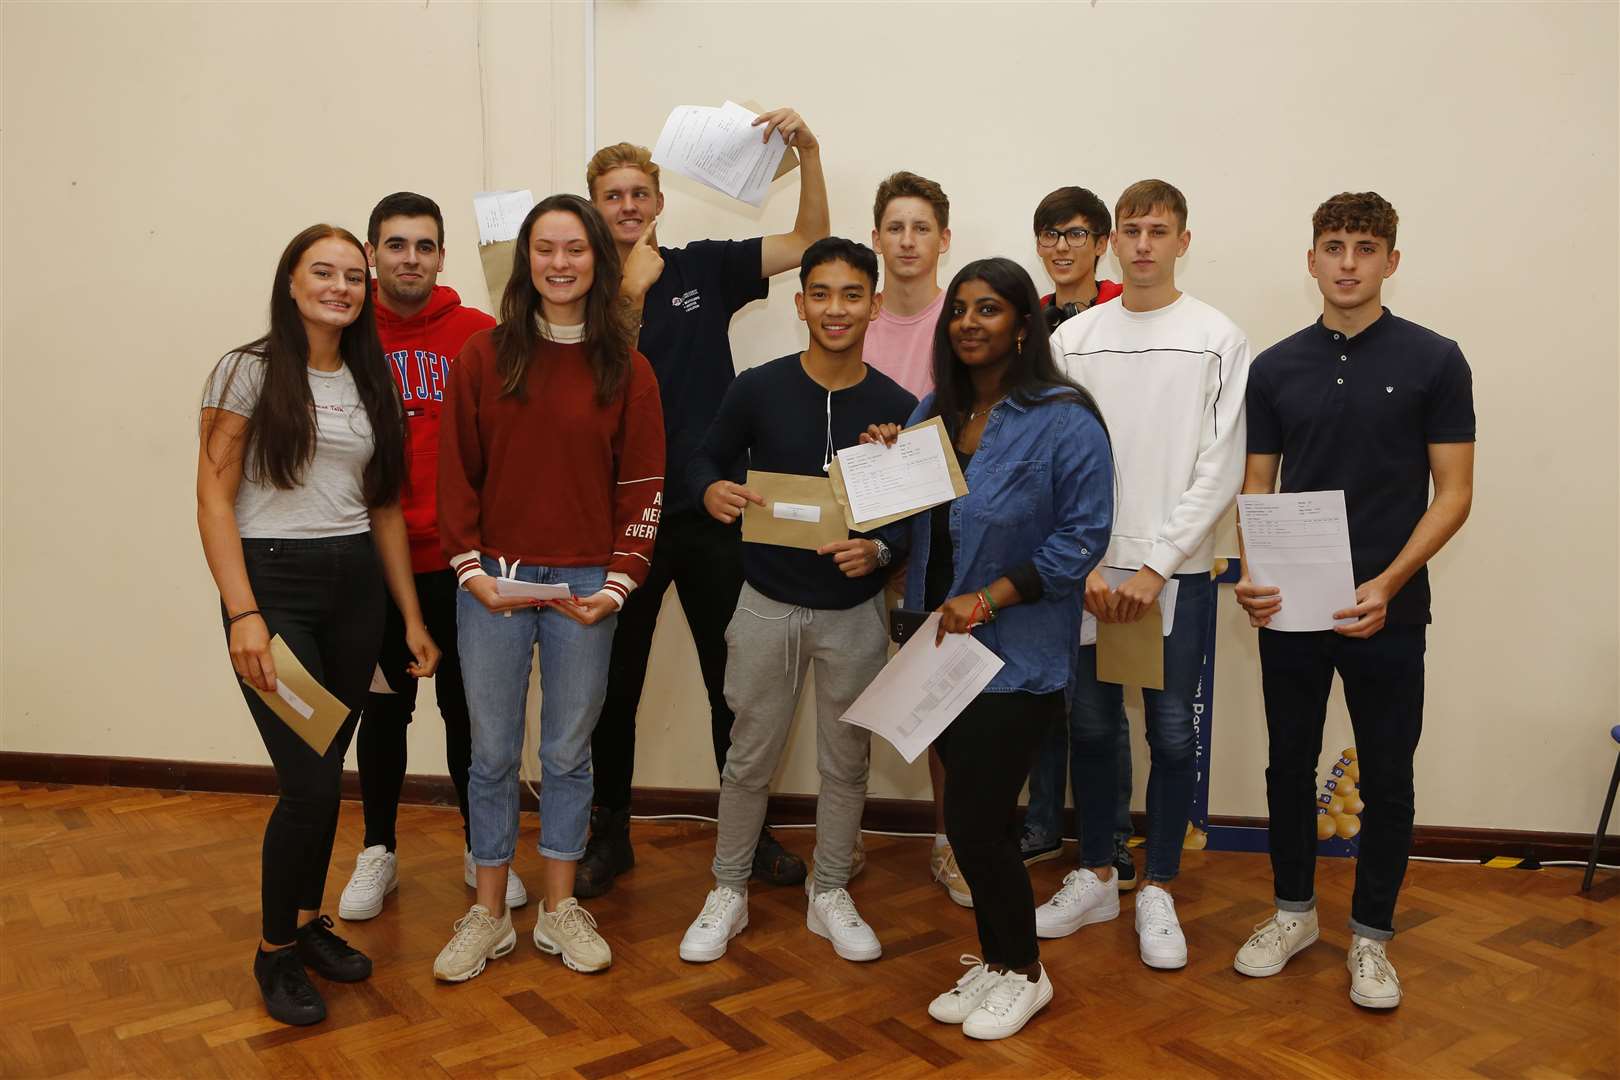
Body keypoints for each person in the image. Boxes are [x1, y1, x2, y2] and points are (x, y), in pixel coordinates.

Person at [578, 109, 830, 897]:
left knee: (738, 683)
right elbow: (585, 392)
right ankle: (608, 835)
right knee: (610, 691)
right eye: (612, 195)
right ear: (594, 206)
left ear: (659, 202)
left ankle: (748, 838)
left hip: (716, 511)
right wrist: (626, 292)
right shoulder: (574, 291)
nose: (626, 206)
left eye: (638, 193)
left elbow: (808, 243)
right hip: (621, 524)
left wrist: (810, 153)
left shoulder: (704, 268)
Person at [1232, 192, 1474, 1009]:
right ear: (1311, 260)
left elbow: (1453, 494)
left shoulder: (1437, 360)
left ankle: (1372, 938)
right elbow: (1257, 485)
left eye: (1364, 248)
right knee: (1287, 767)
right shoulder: (1274, 368)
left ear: (1390, 262)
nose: (1346, 262)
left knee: (1391, 778)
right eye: (1332, 246)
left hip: (1389, 610)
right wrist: (1247, 573)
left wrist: (1390, 582)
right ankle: (1293, 913)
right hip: (1291, 612)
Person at [196, 224, 441, 1026]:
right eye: (323, 272)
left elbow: (382, 509)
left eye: (353, 276)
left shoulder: (371, 377)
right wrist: (243, 613)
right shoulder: (247, 371)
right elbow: (213, 499)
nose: (341, 285)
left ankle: (305, 926)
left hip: (355, 590)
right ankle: (272, 953)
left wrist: (408, 616)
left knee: (326, 773)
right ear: (292, 282)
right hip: (278, 588)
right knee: (304, 788)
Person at [430, 195, 664, 982]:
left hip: (586, 589)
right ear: (525, 259)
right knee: (492, 753)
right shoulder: (483, 358)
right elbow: (455, 475)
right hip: (492, 582)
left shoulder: (627, 368)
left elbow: (642, 486)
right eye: (544, 249)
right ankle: (489, 912)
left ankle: (560, 909)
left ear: (598, 259)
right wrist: (469, 569)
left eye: (575, 249)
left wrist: (619, 584)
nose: (559, 264)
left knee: (567, 752)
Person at [876, 258, 1112, 1039]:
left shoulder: (1065, 417)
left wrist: (991, 597)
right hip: (937, 645)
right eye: (960, 311)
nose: (970, 323)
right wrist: (887, 452)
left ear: (1022, 323)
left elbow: (1083, 537)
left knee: (979, 824)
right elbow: (898, 520)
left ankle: (1026, 973)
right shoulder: (932, 412)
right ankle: (997, 957)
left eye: (990, 309)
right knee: (972, 821)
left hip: (1016, 654)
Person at [677, 238, 915, 965]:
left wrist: (881, 550)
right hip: (765, 603)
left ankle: (832, 889)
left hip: (854, 613)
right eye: (820, 293)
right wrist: (709, 489)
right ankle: (728, 889)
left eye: (850, 294)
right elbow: (704, 458)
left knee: (846, 760)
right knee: (748, 757)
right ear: (799, 301)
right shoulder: (758, 386)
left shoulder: (898, 407)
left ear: (874, 304)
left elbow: (916, 517)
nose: (834, 308)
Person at [1046, 180, 1250, 971]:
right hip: (1092, 573)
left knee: (1171, 731)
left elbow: (1220, 464)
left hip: (1177, 578)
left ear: (1182, 241)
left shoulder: (1218, 337)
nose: (1141, 245)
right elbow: (1065, 460)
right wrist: (1091, 560)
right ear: (1110, 241)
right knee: (1091, 726)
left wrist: (1158, 566)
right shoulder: (1076, 339)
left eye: (1157, 231)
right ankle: (1098, 870)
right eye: (1129, 230)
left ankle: (1158, 884)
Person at [336, 192, 517, 923]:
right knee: (382, 711)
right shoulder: (344, 335)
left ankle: (483, 846)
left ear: (442, 256)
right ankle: (379, 848)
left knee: (470, 713)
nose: (409, 258)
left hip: (462, 560)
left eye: (424, 245)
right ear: (373, 253)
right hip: (375, 564)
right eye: (395, 244)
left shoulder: (479, 334)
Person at [858, 170, 973, 907]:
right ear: (876, 239)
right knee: (850, 691)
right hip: (859, 540)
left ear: (943, 241)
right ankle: (840, 839)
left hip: (941, 546)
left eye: (921, 228)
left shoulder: (962, 327)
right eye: (895, 228)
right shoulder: (845, 317)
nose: (907, 241)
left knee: (941, 706)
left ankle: (950, 843)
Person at [1021, 185, 1134, 886]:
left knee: (1099, 706)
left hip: (1112, 538)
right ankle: (1040, 825)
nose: (1061, 246)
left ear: (1102, 242)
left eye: (1075, 233)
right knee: (1041, 696)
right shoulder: (1025, 321)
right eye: (1049, 234)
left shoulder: (1131, 311)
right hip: (1038, 538)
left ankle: (1110, 838)